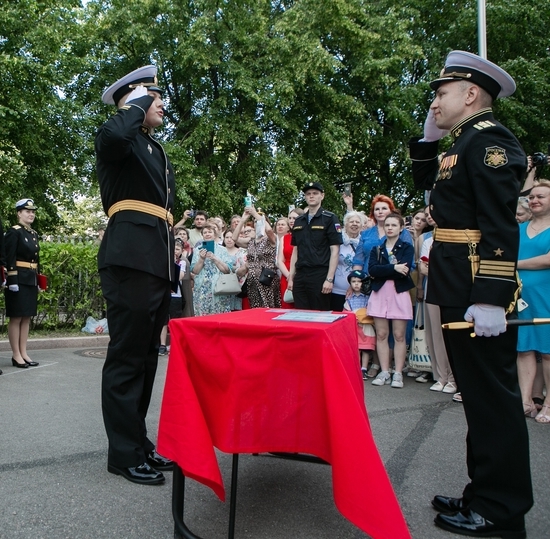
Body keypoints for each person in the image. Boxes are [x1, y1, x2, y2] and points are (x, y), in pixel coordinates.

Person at [409, 51, 532, 537]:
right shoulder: (461, 143)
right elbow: (428, 185)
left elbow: (499, 225)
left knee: (492, 402)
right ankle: (482, 491)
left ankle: (502, 508)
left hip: (477, 283)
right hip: (457, 279)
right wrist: (428, 136)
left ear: (471, 94)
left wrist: (491, 295)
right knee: (477, 399)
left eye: (441, 94)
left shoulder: (491, 142)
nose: (434, 102)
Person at [96, 65, 174, 485]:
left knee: (145, 360)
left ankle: (138, 444)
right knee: (127, 358)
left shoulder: (151, 147)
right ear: (135, 101)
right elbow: (112, 137)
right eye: (154, 99)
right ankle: (123, 455)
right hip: (130, 259)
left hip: (155, 262)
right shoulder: (118, 137)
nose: (161, 106)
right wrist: (134, 104)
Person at [367, 213, 414, 389]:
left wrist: (385, 270)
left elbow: (406, 270)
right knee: (381, 334)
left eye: (394, 225)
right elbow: (372, 270)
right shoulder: (376, 249)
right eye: (387, 225)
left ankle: (398, 372)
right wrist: (393, 267)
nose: (390, 228)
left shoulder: (406, 247)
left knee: (399, 335)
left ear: (401, 228)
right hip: (380, 292)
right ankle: (384, 371)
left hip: (398, 292)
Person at [516, 181, 550, 423]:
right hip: (521, 297)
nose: (534, 200)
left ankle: (548, 403)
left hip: (546, 295)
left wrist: (514, 265)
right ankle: (526, 401)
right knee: (524, 348)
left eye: (541, 196)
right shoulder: (519, 228)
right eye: (532, 197)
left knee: (548, 352)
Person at [287, 182, 343, 310]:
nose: (311, 196)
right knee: (300, 314)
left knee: (319, 314)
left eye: (315, 193)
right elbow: (296, 250)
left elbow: (335, 251)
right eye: (308, 194)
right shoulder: (299, 221)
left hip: (320, 274)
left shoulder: (330, 218)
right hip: (301, 274)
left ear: (322, 196)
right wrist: (291, 277)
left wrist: (329, 279)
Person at [4, 199, 41, 369]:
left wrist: (39, 280)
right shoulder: (14, 232)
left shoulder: (33, 234)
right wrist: (12, 280)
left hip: (30, 279)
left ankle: (24, 352)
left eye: (32, 211)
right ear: (19, 213)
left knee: (26, 317)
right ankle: (16, 354)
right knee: (17, 317)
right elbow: (9, 257)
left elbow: (36, 260)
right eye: (27, 211)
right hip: (18, 279)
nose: (31, 214)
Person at [233, 206, 280, 308]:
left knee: (269, 307)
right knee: (255, 309)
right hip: (253, 280)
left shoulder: (271, 239)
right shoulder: (251, 241)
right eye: (255, 221)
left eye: (259, 221)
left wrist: (255, 213)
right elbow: (234, 238)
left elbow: (269, 231)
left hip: (267, 280)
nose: (257, 222)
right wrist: (242, 220)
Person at [190, 224, 233, 316]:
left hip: (219, 288)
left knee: (219, 315)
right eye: (205, 232)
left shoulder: (223, 250)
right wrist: (201, 259)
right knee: (202, 315)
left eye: (210, 232)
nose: (207, 234)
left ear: (215, 235)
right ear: (202, 235)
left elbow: (227, 270)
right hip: (202, 288)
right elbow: (195, 271)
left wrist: (215, 259)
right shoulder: (197, 250)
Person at [344, 270, 376, 380]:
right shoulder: (349, 298)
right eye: (353, 281)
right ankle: (356, 367)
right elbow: (345, 312)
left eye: (359, 281)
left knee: (366, 347)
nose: (356, 284)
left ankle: (364, 368)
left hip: (366, 326)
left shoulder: (368, 297)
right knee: (356, 348)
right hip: (354, 326)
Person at [331, 211, 363, 311]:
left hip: (358, 291)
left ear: (361, 225)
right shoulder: (338, 240)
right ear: (345, 224)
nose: (354, 224)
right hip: (336, 289)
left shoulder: (364, 241)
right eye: (351, 222)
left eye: (357, 222)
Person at [277, 209, 305, 307]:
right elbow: (280, 260)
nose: (291, 220)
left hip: (301, 274)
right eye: (289, 218)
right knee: (287, 306)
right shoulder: (284, 238)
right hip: (287, 275)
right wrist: (289, 275)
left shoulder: (306, 236)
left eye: (294, 218)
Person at [222, 229, 248, 311]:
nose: (229, 240)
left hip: (237, 286)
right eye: (227, 237)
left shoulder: (242, 251)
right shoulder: (219, 251)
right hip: (222, 285)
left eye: (231, 237)